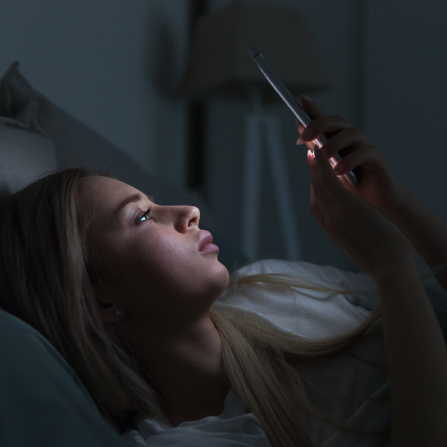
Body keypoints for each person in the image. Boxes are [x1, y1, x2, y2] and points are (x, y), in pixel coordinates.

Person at [0, 94, 446, 447]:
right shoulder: (190, 441)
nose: (189, 211)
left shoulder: (273, 285)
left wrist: (400, 205)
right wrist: (391, 265)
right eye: (141, 217)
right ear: (98, 302)